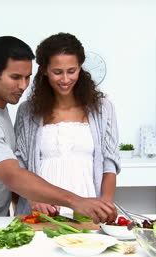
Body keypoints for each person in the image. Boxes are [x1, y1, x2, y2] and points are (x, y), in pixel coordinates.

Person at [0, 36, 117, 223]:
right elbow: (14, 175)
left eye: (27, 77)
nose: (24, 86)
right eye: (15, 77)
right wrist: (75, 201)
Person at [14, 33, 121, 216]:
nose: (65, 79)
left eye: (72, 71)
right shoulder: (27, 111)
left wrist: (103, 204)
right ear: (45, 70)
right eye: (57, 72)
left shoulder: (103, 108)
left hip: (87, 212)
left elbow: (109, 163)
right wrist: (33, 200)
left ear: (80, 68)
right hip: (43, 213)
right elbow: (19, 165)